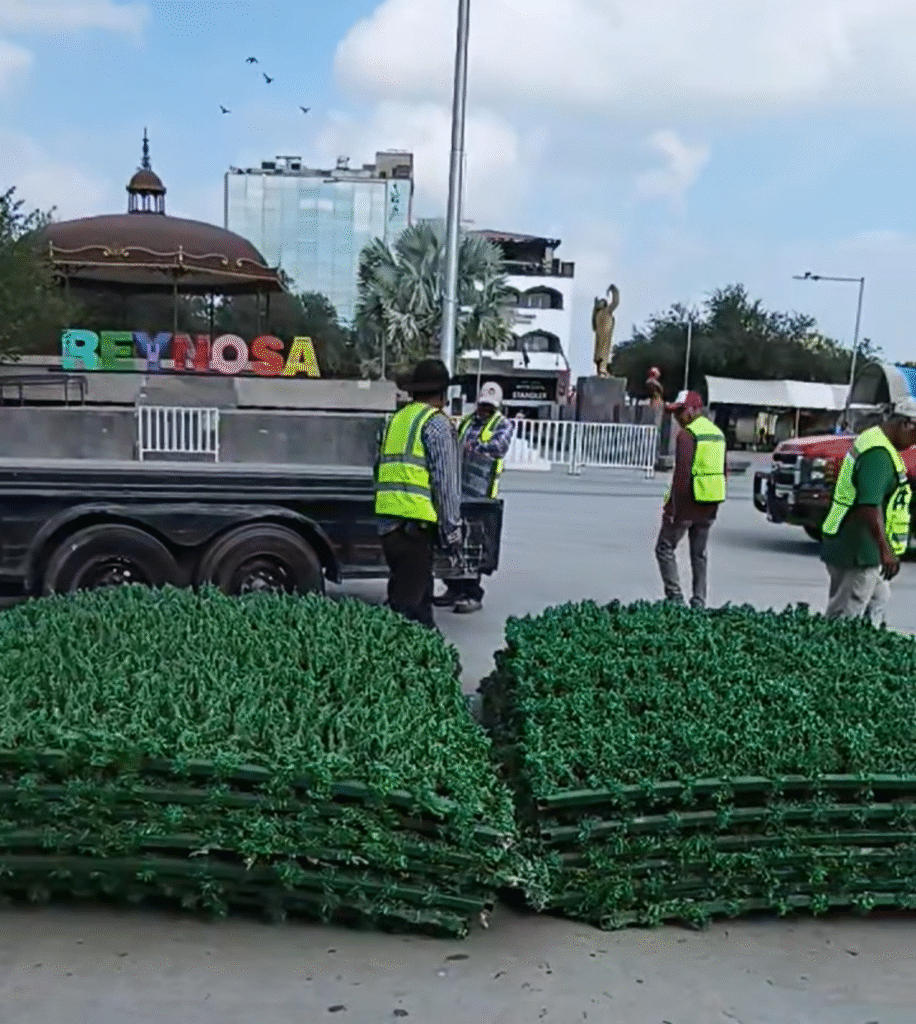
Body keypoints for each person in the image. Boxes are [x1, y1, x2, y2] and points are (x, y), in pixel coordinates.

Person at [375, 358, 463, 629]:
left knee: (418, 602)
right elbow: (445, 482)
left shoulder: (395, 421)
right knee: (407, 610)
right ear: (443, 394)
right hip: (415, 526)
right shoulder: (436, 424)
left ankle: (428, 649)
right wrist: (452, 530)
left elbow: (377, 469)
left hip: (389, 526)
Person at [820, 401, 916, 625]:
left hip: (860, 545)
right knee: (846, 614)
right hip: (858, 549)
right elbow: (869, 506)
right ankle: (839, 644)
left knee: (878, 599)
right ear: (906, 424)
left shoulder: (875, 439)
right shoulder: (878, 455)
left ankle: (868, 638)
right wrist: (885, 550)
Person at [434, 382, 515, 614]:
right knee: (452, 541)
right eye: (482, 405)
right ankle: (453, 588)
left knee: (472, 546)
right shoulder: (468, 422)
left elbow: (499, 447)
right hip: (459, 491)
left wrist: (474, 446)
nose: (484, 410)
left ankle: (471, 593)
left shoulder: (502, 424)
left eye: (490, 407)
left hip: (482, 495)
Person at [655, 390, 728, 609]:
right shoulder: (717, 434)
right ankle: (699, 602)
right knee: (699, 554)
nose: (678, 417)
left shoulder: (687, 435)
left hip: (687, 503)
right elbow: (723, 471)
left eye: (681, 411)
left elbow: (682, 475)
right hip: (710, 503)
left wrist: (673, 509)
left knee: (664, 547)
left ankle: (676, 600)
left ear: (695, 410)